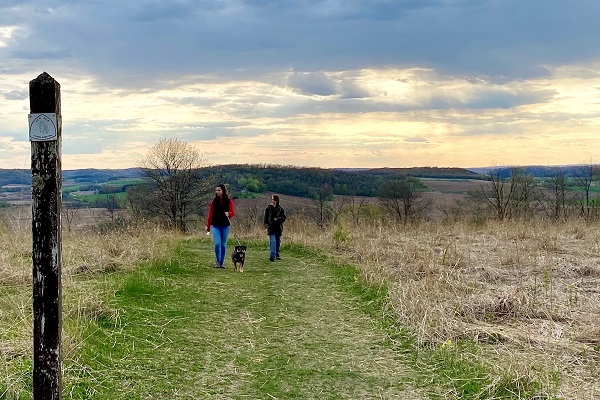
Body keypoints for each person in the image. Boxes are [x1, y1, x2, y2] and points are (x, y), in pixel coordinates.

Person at [206, 184, 235, 269]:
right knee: (217, 244)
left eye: (219, 190)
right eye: (216, 190)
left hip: (225, 225)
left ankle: (222, 262)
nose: (217, 192)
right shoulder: (214, 202)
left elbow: (232, 212)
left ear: (223, 191)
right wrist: (208, 226)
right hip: (216, 225)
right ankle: (218, 261)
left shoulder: (229, 201)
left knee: (223, 244)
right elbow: (210, 214)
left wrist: (229, 213)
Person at [263, 194, 286, 262]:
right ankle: (272, 256)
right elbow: (265, 217)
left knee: (278, 242)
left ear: (277, 200)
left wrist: (278, 219)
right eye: (272, 199)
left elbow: (283, 218)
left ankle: (277, 254)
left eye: (274, 200)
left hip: (278, 228)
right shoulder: (268, 208)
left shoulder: (281, 209)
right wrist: (265, 224)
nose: (273, 201)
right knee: (272, 241)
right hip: (271, 227)